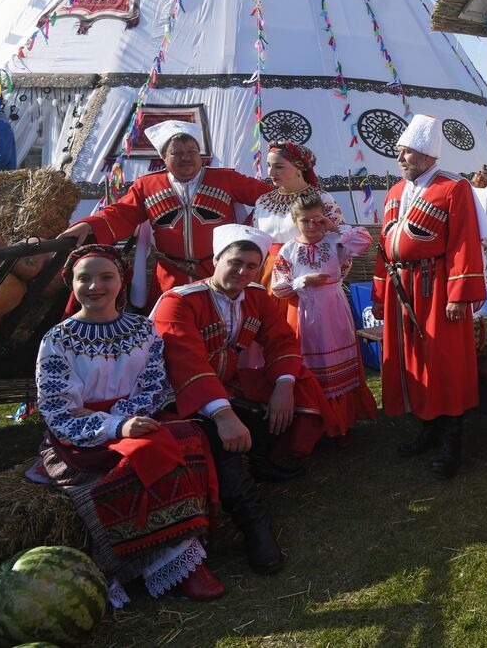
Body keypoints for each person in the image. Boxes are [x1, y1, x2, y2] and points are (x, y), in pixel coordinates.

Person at [37, 245, 224, 605]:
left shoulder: (142, 328)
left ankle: (191, 539)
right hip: (82, 431)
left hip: (137, 416)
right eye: (84, 278)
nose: (95, 286)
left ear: (122, 280)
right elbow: (58, 409)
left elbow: (153, 384)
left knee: (191, 435)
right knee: (151, 453)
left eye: (106, 277)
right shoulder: (57, 340)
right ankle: (167, 560)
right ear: (71, 284)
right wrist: (116, 427)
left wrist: (129, 418)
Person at [152, 224, 331, 574]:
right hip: (173, 400)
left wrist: (283, 384)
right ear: (215, 259)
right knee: (223, 447)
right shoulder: (179, 302)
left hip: (221, 389)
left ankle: (262, 458)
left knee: (295, 386)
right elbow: (185, 367)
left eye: (252, 266)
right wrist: (222, 415)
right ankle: (254, 525)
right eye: (235, 262)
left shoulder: (255, 296)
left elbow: (281, 341)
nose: (242, 272)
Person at [372, 114, 487, 480]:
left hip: (436, 288)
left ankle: (452, 441)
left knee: (445, 361)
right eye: (399, 153)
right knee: (413, 358)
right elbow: (383, 247)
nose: (400, 159)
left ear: (425, 153)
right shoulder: (394, 193)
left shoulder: (453, 189)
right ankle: (428, 426)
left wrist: (460, 294)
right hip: (400, 288)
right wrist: (379, 293)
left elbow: (464, 242)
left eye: (405, 153)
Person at [61, 121, 273, 301]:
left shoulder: (226, 179)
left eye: (191, 152)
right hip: (170, 275)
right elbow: (122, 212)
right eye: (177, 153)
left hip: (217, 273)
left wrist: (247, 232)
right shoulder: (147, 185)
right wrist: (89, 224)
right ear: (163, 157)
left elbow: (271, 198)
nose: (186, 158)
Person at [271, 190, 378, 444]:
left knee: (339, 360)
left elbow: (363, 243)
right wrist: (302, 281)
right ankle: (314, 422)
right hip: (305, 311)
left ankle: (342, 422)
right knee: (309, 365)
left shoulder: (335, 241)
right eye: (305, 221)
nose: (311, 225)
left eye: (317, 219)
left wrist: (334, 226)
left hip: (333, 307)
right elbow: (278, 287)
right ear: (295, 222)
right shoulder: (288, 249)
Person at [250, 141, 347, 329]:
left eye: (279, 167)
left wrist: (329, 284)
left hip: (308, 276)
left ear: (298, 168)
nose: (271, 173)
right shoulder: (262, 201)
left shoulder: (321, 199)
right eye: (269, 166)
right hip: (269, 276)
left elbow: (341, 242)